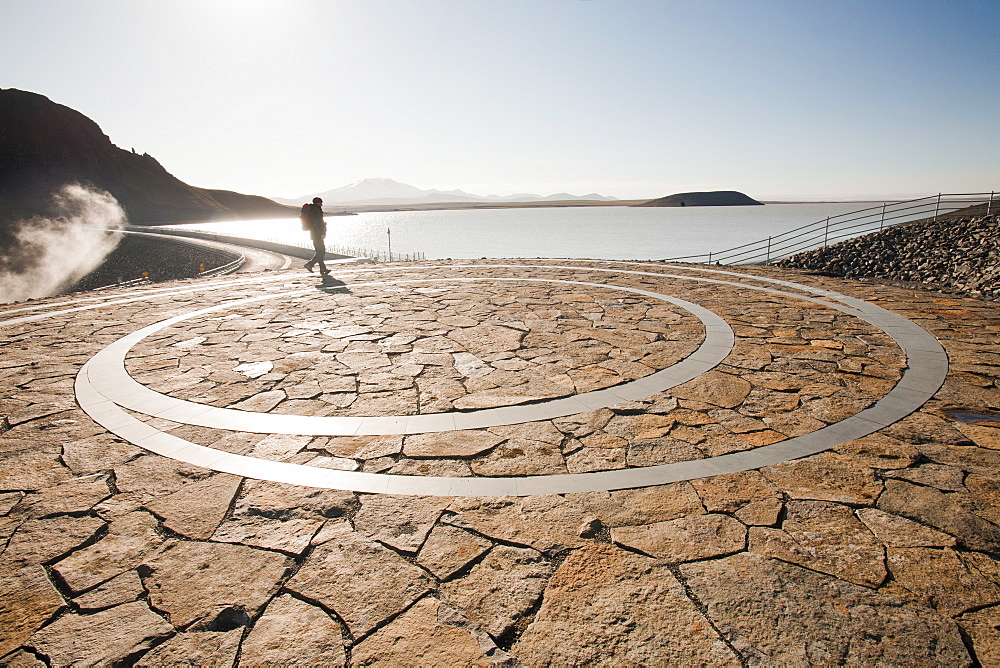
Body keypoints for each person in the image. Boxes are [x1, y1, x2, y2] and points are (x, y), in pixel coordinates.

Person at [301, 197, 329, 274]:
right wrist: (321, 233)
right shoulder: (316, 210)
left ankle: (323, 268)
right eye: (321, 202)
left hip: (314, 233)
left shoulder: (312, 209)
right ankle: (310, 264)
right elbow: (318, 223)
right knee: (321, 252)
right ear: (318, 203)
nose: (322, 204)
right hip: (317, 233)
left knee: (319, 252)